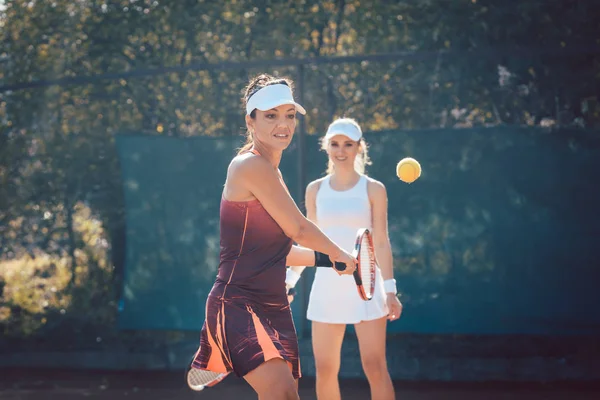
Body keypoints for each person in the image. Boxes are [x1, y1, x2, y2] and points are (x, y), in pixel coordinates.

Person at [191, 74, 357, 400]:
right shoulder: (249, 166)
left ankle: (221, 349)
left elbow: (277, 250)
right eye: (271, 115)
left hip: (274, 305)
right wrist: (343, 254)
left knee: (287, 396)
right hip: (238, 302)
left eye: (289, 115)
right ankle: (220, 344)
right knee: (282, 394)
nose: (283, 123)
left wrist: (328, 260)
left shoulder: (272, 171)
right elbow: (299, 228)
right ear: (250, 122)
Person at [285, 117, 403, 400]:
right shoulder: (315, 189)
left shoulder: (374, 189)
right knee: (325, 369)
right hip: (327, 287)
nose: (341, 150)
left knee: (374, 366)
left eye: (348, 144)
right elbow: (308, 241)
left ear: (359, 148)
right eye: (335, 144)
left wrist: (390, 291)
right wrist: (289, 281)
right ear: (326, 147)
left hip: (368, 287)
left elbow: (382, 242)